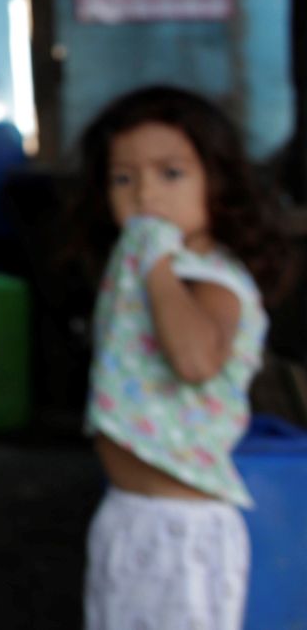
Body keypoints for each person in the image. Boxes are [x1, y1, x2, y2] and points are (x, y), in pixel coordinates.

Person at [73, 85, 284, 630]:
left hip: (182, 531)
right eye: (124, 177)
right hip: (128, 514)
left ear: (217, 181)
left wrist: (156, 263)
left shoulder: (213, 282)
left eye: (171, 173)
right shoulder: (142, 273)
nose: (146, 194)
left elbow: (195, 362)